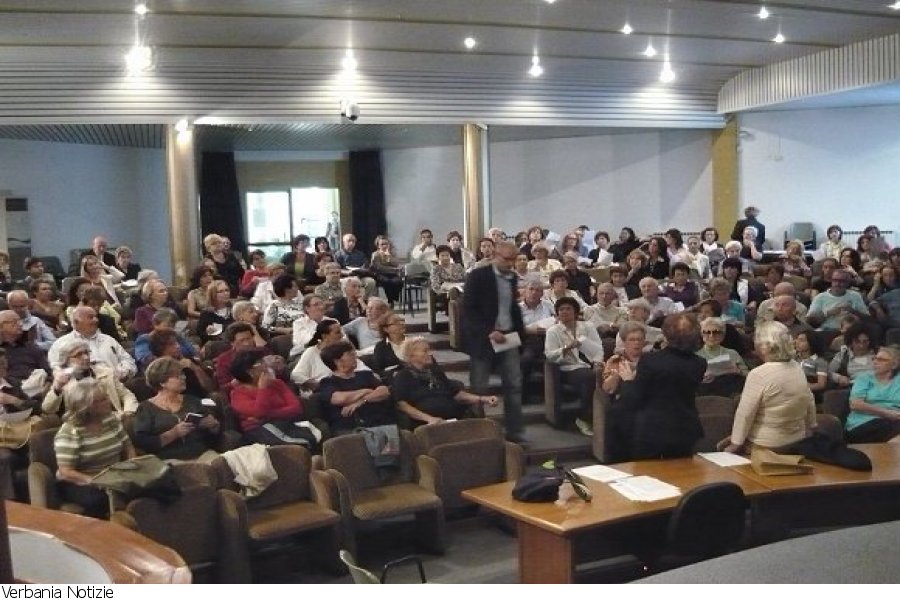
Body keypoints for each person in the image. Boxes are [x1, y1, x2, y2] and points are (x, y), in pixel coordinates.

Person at [609, 313, 706, 461]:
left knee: (647, 472)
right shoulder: (700, 363)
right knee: (681, 471)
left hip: (653, 431)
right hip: (684, 429)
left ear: (666, 334)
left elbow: (634, 398)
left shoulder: (650, 361)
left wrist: (628, 380)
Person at [461, 241, 526, 443]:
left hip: (508, 337)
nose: (511, 263)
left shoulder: (512, 278)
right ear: (495, 256)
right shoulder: (478, 276)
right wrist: (489, 331)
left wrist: (519, 334)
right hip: (484, 339)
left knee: (514, 385)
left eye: (513, 259)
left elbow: (511, 307)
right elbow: (468, 310)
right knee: (479, 387)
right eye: (507, 259)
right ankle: (478, 433)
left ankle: (514, 433)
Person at [724, 321, 816, 453]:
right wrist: (811, 426)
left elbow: (745, 413)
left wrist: (735, 443)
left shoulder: (758, 374)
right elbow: (809, 399)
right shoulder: (796, 367)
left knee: (722, 446)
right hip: (797, 441)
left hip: (766, 445)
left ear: (764, 346)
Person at [53, 380, 135, 517]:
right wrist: (97, 482)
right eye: (102, 400)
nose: (108, 401)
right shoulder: (70, 432)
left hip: (114, 476)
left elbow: (128, 447)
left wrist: (133, 466)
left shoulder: (110, 419)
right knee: (100, 500)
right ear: (86, 407)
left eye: (106, 397)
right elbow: (66, 471)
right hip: (81, 482)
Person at [392, 338, 496, 428]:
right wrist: (429, 418)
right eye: (425, 351)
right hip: (428, 424)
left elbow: (456, 394)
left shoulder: (435, 372)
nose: (430, 353)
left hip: (453, 418)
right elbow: (402, 405)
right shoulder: (403, 376)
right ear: (411, 356)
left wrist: (483, 399)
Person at [133, 357, 221, 462]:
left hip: (202, 454)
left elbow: (212, 437)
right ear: (162, 382)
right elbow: (143, 443)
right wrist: (173, 433)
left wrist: (213, 427)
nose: (184, 377)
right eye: (178, 376)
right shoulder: (146, 408)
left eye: (183, 374)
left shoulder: (193, 401)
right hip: (170, 459)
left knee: (221, 463)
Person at [544, 297, 605, 436]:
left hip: (590, 365)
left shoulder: (588, 326)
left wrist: (598, 363)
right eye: (561, 309)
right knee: (589, 377)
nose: (564, 312)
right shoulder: (553, 331)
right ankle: (584, 417)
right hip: (568, 368)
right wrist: (566, 348)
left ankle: (602, 419)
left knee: (602, 375)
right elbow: (550, 355)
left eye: (568, 309)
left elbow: (598, 348)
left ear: (575, 312)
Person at [228, 349, 314, 447]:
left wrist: (267, 417)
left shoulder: (278, 384)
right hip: (259, 431)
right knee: (300, 445)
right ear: (250, 372)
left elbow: (296, 408)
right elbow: (260, 412)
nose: (266, 366)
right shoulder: (238, 394)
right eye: (261, 363)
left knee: (312, 437)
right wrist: (262, 389)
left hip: (286, 423)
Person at [42, 337, 139, 417]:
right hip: (84, 426)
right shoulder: (62, 382)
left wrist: (128, 413)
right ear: (66, 360)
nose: (86, 357)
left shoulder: (105, 372)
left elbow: (126, 395)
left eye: (86, 353)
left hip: (116, 417)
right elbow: (48, 409)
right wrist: (57, 388)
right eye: (78, 355)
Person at [317, 341, 395, 435]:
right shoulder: (328, 382)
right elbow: (341, 399)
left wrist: (361, 401)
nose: (355, 356)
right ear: (338, 361)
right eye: (350, 354)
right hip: (350, 427)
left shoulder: (366, 375)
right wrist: (367, 390)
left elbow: (384, 391)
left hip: (379, 422)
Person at [48, 306, 136, 380]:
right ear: (76, 322)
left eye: (96, 317)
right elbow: (57, 370)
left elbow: (128, 360)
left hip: (117, 384)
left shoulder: (108, 340)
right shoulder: (61, 344)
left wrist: (123, 372)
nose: (96, 320)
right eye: (90, 317)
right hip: (83, 389)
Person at [844, 346, 900, 443]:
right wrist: (887, 413)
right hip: (863, 423)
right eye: (875, 358)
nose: (875, 362)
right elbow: (855, 404)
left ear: (894, 365)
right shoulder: (864, 378)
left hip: (894, 422)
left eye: (881, 360)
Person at [290, 318, 346, 393]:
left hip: (343, 388)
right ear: (325, 336)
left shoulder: (343, 350)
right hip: (323, 391)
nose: (342, 335)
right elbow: (296, 374)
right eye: (338, 332)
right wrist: (312, 383)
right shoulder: (312, 352)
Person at [696, 317, 748, 397]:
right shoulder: (696, 356)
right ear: (702, 335)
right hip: (706, 395)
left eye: (716, 332)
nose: (711, 335)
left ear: (722, 335)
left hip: (731, 394)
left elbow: (747, 375)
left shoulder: (732, 353)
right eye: (707, 332)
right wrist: (701, 379)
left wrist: (738, 371)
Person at [601, 321, 646, 399]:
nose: (637, 343)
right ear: (624, 342)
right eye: (632, 339)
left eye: (639, 339)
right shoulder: (615, 360)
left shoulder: (651, 359)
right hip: (623, 400)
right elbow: (607, 389)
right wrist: (616, 375)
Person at [828, 323, 875, 388]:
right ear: (851, 341)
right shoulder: (843, 355)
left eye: (865, 341)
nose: (861, 346)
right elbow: (828, 372)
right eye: (857, 342)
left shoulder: (878, 353)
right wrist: (839, 378)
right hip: (855, 388)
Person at [196, 279, 234, 344]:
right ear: (213, 294)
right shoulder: (206, 313)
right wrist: (208, 332)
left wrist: (219, 328)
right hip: (216, 344)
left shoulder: (234, 309)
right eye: (221, 291)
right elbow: (201, 334)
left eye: (227, 290)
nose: (225, 293)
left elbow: (237, 327)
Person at [369, 235, 403, 307]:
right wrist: (394, 269)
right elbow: (379, 267)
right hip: (380, 274)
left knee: (398, 281)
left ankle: (393, 298)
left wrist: (389, 256)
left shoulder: (392, 254)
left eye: (386, 244)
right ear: (378, 246)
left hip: (392, 274)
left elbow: (396, 264)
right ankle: (390, 301)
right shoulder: (375, 254)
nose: (384, 246)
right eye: (382, 244)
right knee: (387, 281)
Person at [794, 330, 829, 399]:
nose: (797, 342)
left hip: (808, 394)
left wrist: (803, 387)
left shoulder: (820, 361)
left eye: (801, 340)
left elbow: (821, 384)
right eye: (797, 339)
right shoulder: (793, 358)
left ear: (811, 343)